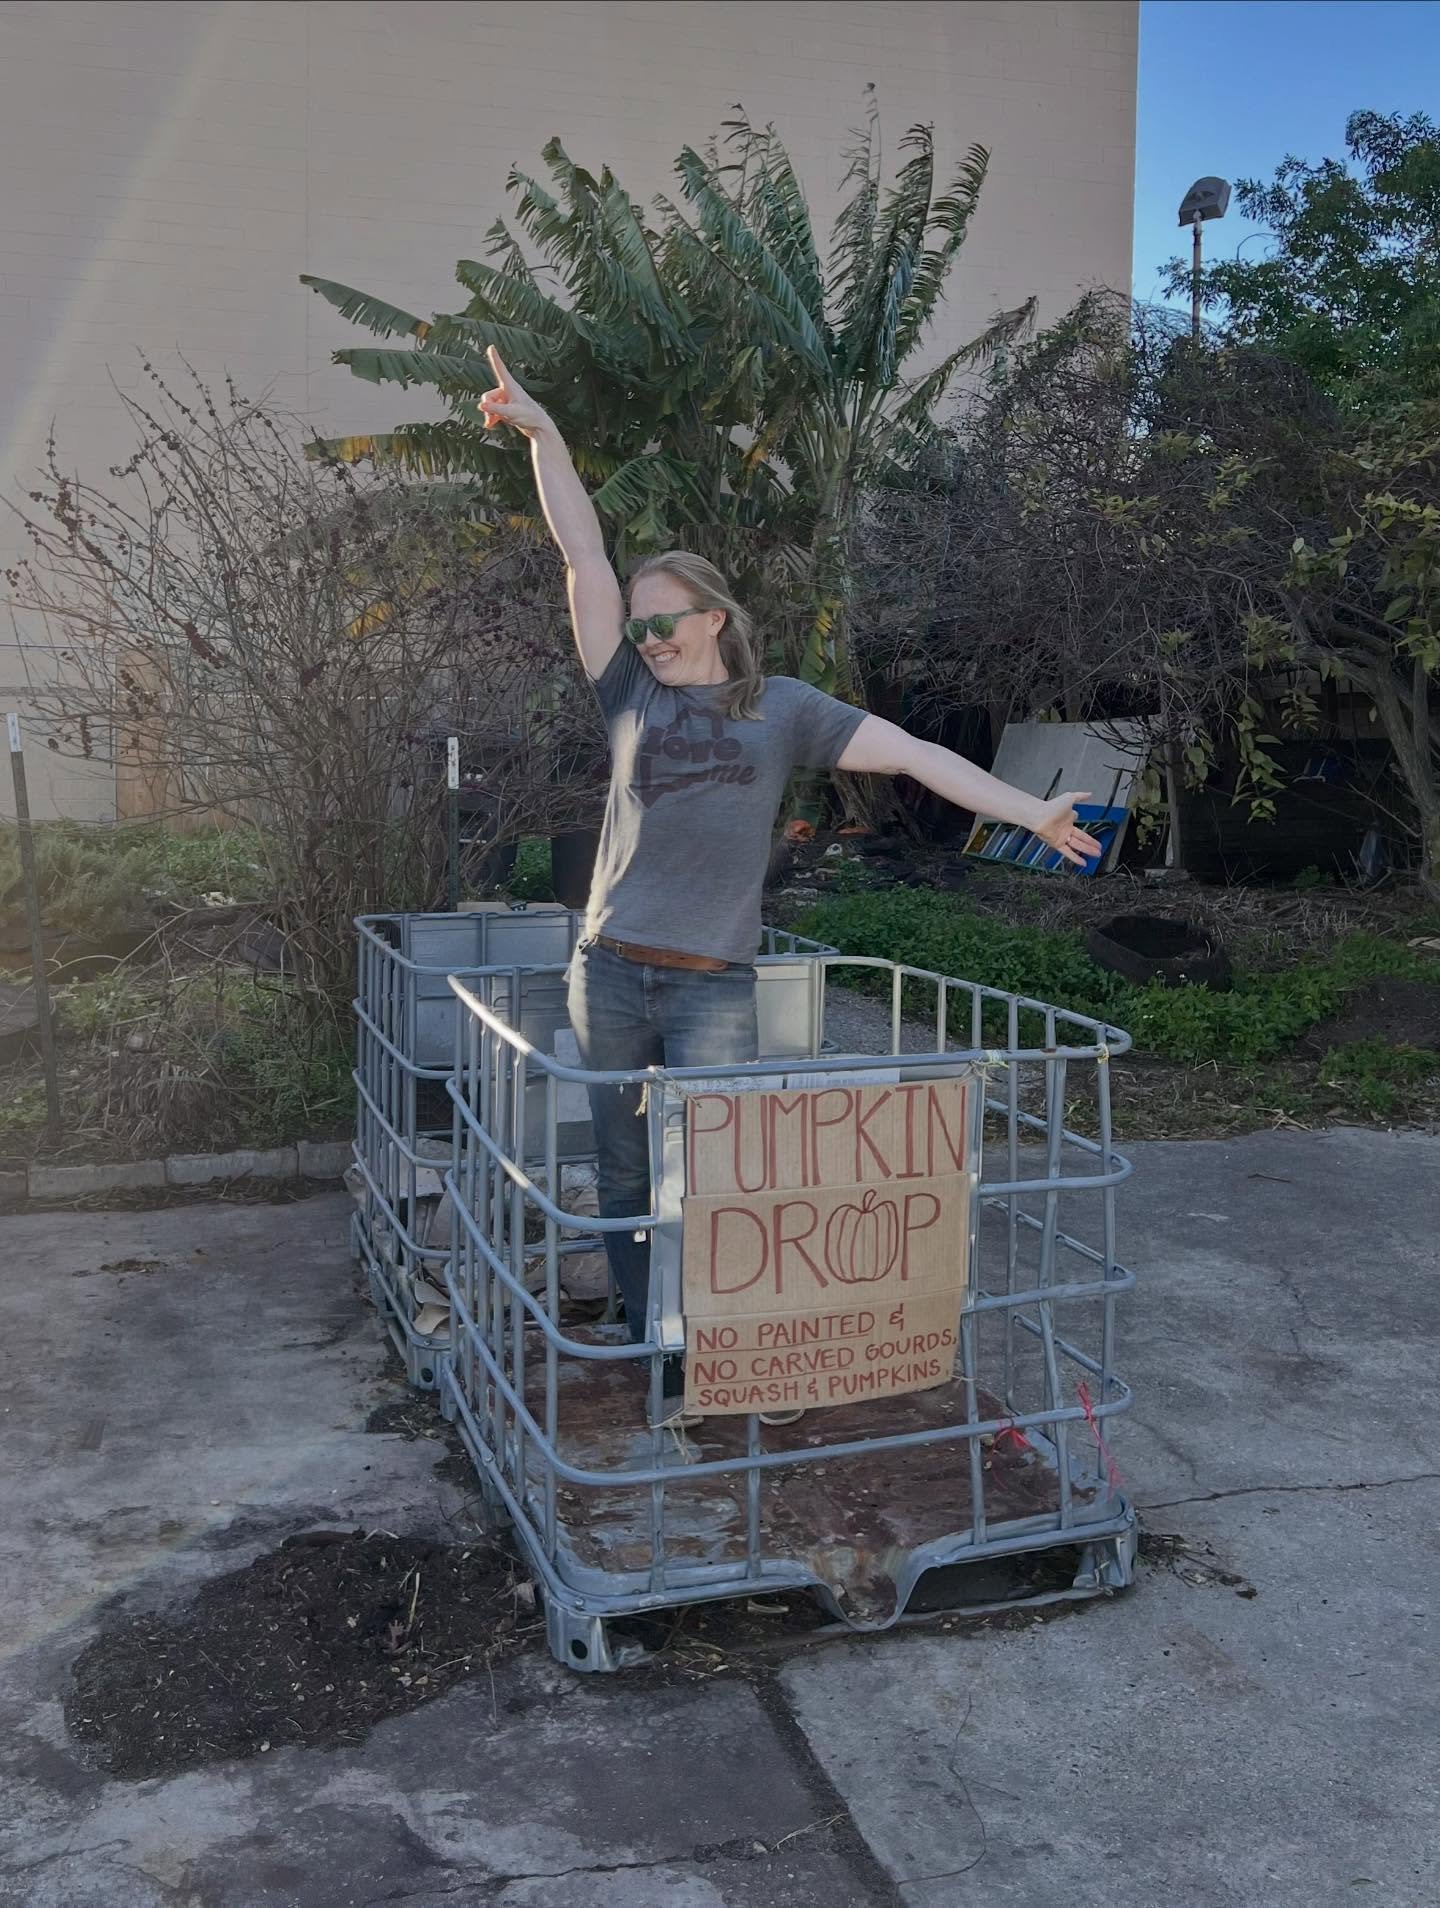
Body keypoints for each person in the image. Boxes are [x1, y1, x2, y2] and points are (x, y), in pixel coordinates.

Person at [478, 347, 1101, 1425]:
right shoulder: (626, 692)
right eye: (637, 621)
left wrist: (1030, 811)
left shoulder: (787, 708)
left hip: (717, 983)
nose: (646, 633)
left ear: (714, 618)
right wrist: (548, 439)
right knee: (624, 1181)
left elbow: (913, 754)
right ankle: (658, 1343)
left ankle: (714, 1337)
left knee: (714, 1182)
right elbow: (581, 553)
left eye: (664, 617)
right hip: (613, 976)